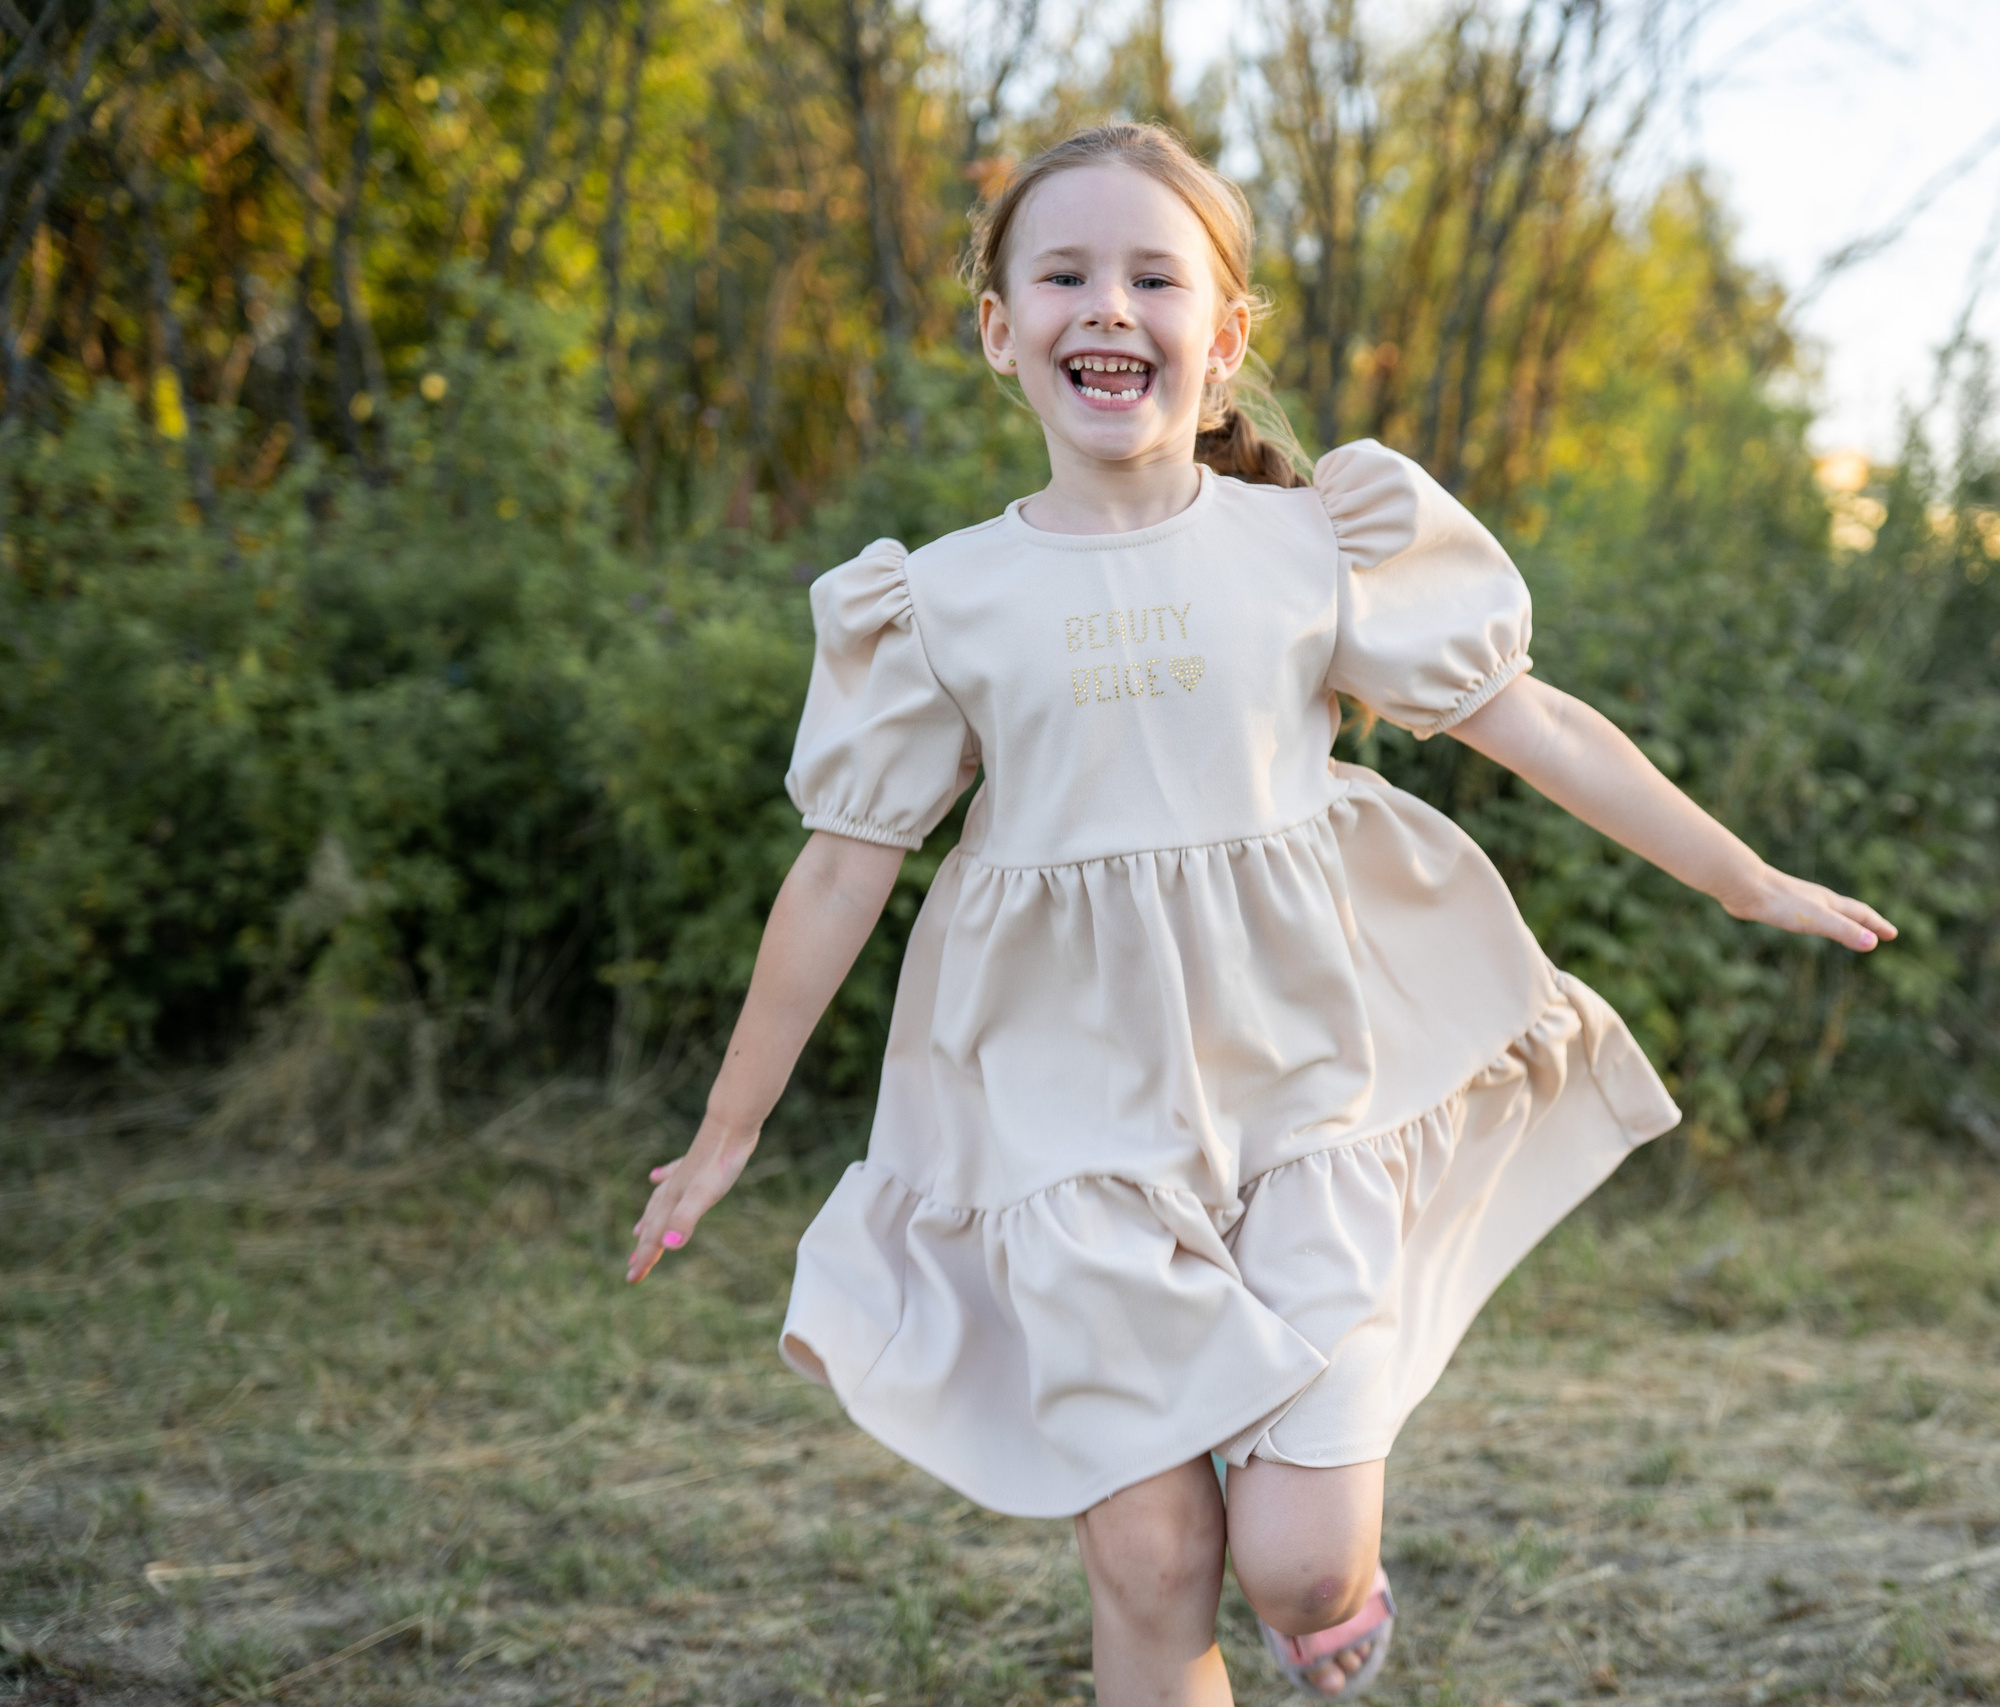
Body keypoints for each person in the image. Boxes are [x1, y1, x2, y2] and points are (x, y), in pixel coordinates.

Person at [625, 121, 1895, 1704]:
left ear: (1223, 338)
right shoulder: (936, 600)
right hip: (1068, 1123)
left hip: (1306, 1093)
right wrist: (730, 1128)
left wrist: (1742, 876)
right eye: (1064, 275)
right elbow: (838, 870)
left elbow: (1537, 723)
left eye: (1154, 278)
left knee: (1300, 1566)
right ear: (999, 330)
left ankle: (1322, 1583)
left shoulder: (1313, 546)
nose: (1109, 304)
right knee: (1153, 1558)